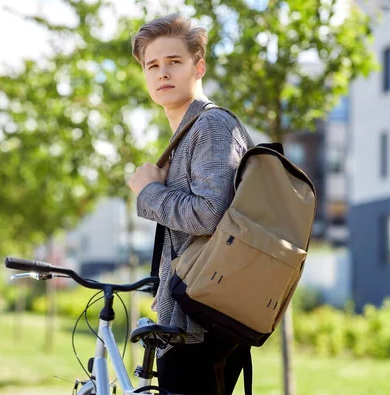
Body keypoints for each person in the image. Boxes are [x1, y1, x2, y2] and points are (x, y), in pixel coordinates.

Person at [128, 13, 254, 395]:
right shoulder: (187, 132)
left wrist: (148, 192)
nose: (162, 73)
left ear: (198, 66)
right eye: (153, 65)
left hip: (201, 322)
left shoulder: (211, 126)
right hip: (194, 314)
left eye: (174, 62)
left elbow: (210, 213)